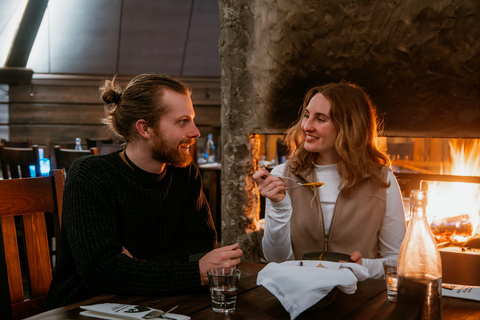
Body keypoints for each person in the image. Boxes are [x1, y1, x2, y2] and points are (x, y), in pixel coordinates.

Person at [46, 74, 243, 308]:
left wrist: (136, 266)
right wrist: (191, 272)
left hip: (153, 303)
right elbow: (101, 273)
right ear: (145, 128)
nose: (196, 132)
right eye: (183, 121)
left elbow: (203, 244)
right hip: (85, 308)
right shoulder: (90, 175)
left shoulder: (184, 173)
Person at [253, 81, 406, 279]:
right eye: (307, 116)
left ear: (349, 126)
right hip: (300, 295)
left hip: (359, 300)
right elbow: (276, 259)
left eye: (320, 119)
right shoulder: (283, 175)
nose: (307, 126)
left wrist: (364, 266)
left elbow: (398, 262)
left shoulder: (382, 181)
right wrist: (279, 207)